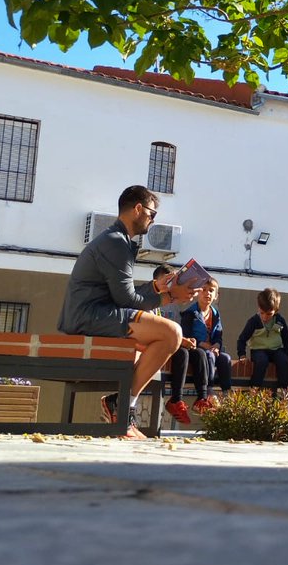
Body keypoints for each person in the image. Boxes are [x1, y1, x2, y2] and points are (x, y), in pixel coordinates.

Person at [58, 185, 196, 439]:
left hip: (98, 312)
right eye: (152, 214)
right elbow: (126, 299)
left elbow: (121, 293)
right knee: (171, 333)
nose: (153, 220)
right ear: (137, 209)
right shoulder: (115, 243)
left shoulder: (118, 241)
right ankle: (122, 408)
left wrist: (158, 287)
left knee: (163, 339)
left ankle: (120, 406)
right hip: (90, 316)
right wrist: (170, 296)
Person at [165, 278, 232, 424]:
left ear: (216, 295)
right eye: (204, 290)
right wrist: (204, 345)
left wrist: (216, 345)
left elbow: (219, 335)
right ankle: (208, 392)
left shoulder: (215, 314)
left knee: (225, 359)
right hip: (197, 347)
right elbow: (187, 333)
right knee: (206, 355)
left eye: (211, 291)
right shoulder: (191, 313)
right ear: (197, 293)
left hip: (211, 348)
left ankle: (226, 393)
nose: (207, 293)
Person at [236, 288, 288, 393]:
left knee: (283, 360)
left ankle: (284, 391)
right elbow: (242, 339)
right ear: (259, 308)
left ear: (276, 311)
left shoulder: (279, 320)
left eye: (269, 314)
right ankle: (254, 388)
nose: (265, 317)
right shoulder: (254, 321)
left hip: (276, 349)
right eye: (262, 313)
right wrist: (242, 355)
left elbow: (286, 338)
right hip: (259, 350)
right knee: (262, 361)